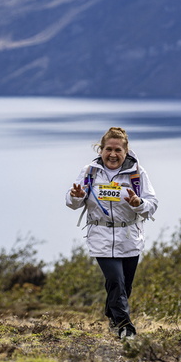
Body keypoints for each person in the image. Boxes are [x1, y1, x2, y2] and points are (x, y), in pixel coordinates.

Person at [66, 127, 158, 340]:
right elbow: (72, 202)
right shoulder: (90, 171)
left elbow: (152, 204)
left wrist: (138, 203)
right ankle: (126, 327)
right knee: (115, 280)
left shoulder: (137, 173)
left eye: (118, 150)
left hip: (129, 236)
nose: (113, 154)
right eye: (108, 149)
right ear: (101, 150)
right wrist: (76, 196)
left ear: (126, 151)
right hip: (100, 235)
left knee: (125, 285)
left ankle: (111, 314)